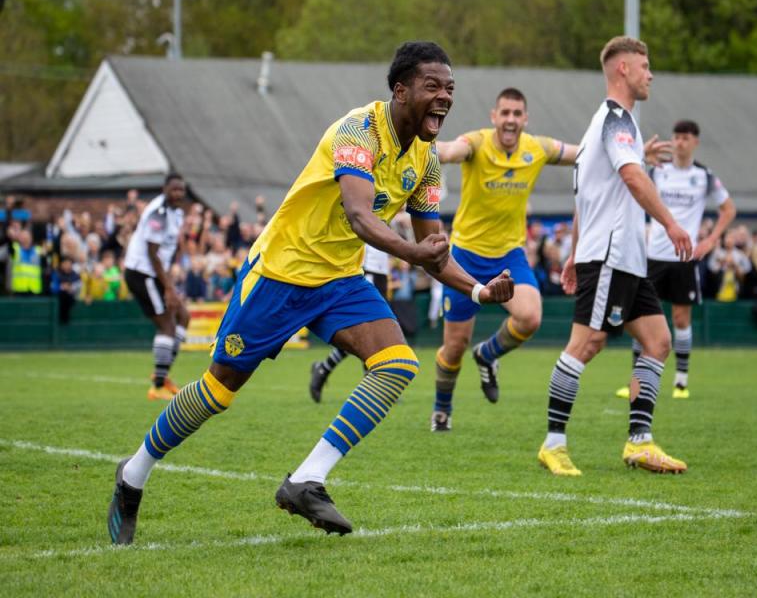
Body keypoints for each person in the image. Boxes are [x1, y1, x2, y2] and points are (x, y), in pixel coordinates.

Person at [107, 41, 514, 545]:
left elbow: (433, 248)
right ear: (400, 89)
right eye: (433, 86)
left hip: (337, 281)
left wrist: (478, 291)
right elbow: (363, 217)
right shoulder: (358, 130)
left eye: (450, 88)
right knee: (218, 392)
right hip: (281, 273)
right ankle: (133, 474)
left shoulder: (426, 160)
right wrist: (415, 255)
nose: (444, 97)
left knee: (397, 364)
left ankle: (306, 480)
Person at [537, 36, 692, 477]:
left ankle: (640, 443)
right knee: (587, 344)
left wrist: (570, 254)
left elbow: (590, 192)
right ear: (622, 69)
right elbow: (630, 178)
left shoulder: (601, 127)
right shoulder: (617, 120)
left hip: (625, 257)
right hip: (610, 255)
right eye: (644, 65)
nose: (650, 73)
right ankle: (553, 444)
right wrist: (670, 223)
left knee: (659, 341)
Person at [429, 87, 581, 431]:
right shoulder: (478, 143)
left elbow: (581, 154)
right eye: (505, 113)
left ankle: (488, 355)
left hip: (509, 255)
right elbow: (452, 150)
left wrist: (629, 153)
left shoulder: (537, 148)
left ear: (525, 120)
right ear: (494, 117)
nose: (511, 119)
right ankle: (442, 409)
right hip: (465, 255)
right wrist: (420, 147)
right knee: (453, 348)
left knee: (529, 318)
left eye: (517, 114)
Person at [616, 119, 736, 400]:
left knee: (681, 318)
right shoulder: (658, 171)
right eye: (677, 137)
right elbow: (628, 184)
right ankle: (636, 379)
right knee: (641, 316)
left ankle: (681, 381)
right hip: (654, 254)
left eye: (686, 137)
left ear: (695, 142)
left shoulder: (704, 176)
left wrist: (709, 240)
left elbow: (728, 209)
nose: (680, 142)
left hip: (684, 257)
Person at [122, 174, 190, 401]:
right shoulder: (158, 213)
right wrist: (169, 288)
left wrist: (170, 283)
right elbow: (153, 254)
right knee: (167, 325)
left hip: (155, 274)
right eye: (174, 190)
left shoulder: (177, 213)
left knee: (183, 316)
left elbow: (168, 253)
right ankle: (158, 385)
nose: (178, 194)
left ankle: (163, 374)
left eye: (181, 190)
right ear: (165, 189)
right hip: (142, 273)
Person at [308, 244, 391, 403]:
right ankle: (373, 388)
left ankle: (324, 368)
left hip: (380, 269)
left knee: (373, 328)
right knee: (368, 327)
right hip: (367, 266)